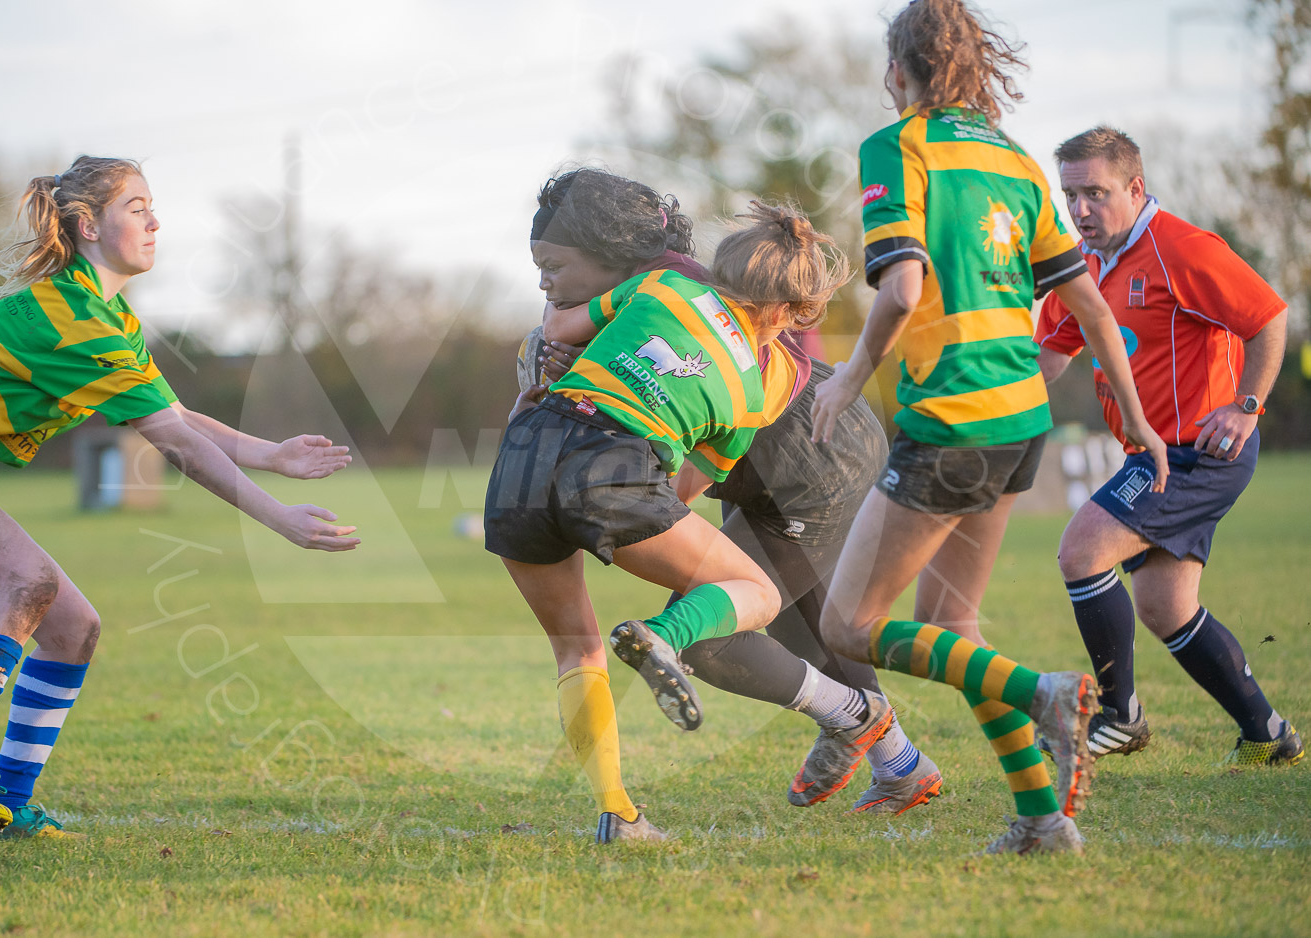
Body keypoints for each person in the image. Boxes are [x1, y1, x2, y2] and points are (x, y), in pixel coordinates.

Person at [0, 156, 359, 839]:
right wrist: (278, 517)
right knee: (31, 580)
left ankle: (8, 806)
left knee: (72, 626)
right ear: (88, 225)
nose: (154, 221)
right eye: (136, 207)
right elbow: (174, 443)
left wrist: (272, 455)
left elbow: (172, 417)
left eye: (152, 207)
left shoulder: (110, 319)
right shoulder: (72, 317)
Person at [803, 0, 1171, 855]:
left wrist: (849, 379)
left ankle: (1043, 691)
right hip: (1019, 422)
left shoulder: (894, 148)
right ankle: (1043, 820)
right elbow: (1091, 308)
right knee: (954, 627)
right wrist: (1140, 423)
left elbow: (899, 289)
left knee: (847, 625)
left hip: (953, 418)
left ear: (899, 71)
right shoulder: (1011, 159)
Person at [523, 168, 942, 817]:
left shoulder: (664, 280)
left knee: (715, 638)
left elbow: (686, 464)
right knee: (805, 628)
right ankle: (896, 760)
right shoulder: (628, 284)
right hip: (763, 454)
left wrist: (643, 517)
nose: (546, 281)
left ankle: (868, 733)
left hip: (809, 452)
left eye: (554, 262)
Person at [1035, 126, 1300, 766]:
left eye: (1095, 193)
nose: (1080, 210)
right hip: (1146, 455)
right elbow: (1047, 353)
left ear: (1135, 187)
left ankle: (1120, 715)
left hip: (1194, 455)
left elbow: (1270, 318)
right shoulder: (1084, 262)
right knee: (1165, 607)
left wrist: (1245, 407)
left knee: (1081, 551)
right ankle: (1268, 734)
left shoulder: (1184, 250)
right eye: (1070, 195)